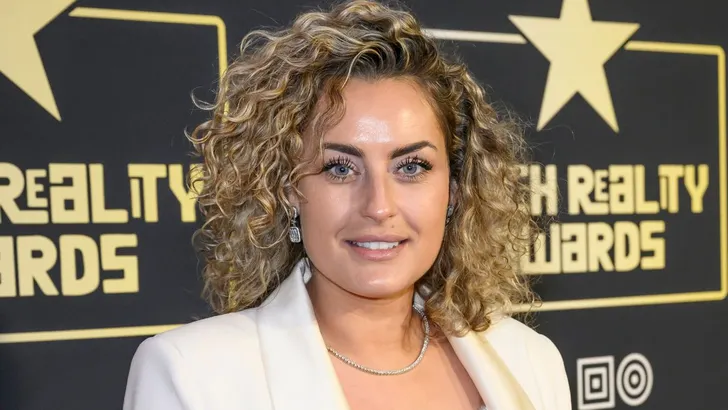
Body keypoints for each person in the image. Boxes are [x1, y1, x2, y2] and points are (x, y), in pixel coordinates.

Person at [122, 1, 571, 409]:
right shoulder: (193, 376)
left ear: (453, 191)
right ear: (288, 189)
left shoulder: (531, 362)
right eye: (339, 168)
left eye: (411, 166)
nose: (379, 206)